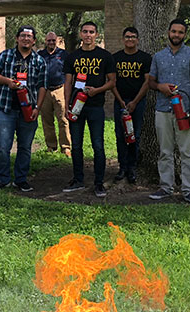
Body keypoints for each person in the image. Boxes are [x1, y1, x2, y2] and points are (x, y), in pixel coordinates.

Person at [148, 19, 190, 204]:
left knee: (186, 152)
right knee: (165, 151)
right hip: (163, 109)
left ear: (185, 35)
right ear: (168, 32)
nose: (176, 35)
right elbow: (151, 82)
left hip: (185, 110)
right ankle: (166, 187)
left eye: (180, 32)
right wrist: (160, 86)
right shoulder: (158, 56)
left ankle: (189, 190)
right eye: (174, 31)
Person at [0, 25, 47, 192]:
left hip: (28, 111)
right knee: (3, 147)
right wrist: (8, 82)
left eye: (29, 36)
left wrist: (38, 108)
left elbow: (43, 86)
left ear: (34, 40)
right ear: (17, 38)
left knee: (25, 147)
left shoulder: (39, 61)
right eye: (22, 36)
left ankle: (21, 179)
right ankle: (3, 179)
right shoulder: (6, 55)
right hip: (6, 109)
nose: (26, 39)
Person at [62, 21, 116, 198]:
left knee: (98, 145)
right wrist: (67, 104)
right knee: (76, 145)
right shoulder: (72, 57)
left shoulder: (105, 56)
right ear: (80, 34)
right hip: (76, 107)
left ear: (96, 35)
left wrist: (96, 91)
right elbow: (68, 82)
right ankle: (78, 180)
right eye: (85, 31)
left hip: (95, 107)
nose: (88, 35)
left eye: (91, 32)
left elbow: (112, 82)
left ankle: (99, 183)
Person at [112, 26, 151, 184]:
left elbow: (148, 81)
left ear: (138, 40)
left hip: (138, 102)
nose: (130, 39)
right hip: (120, 101)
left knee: (135, 135)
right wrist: (121, 101)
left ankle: (132, 167)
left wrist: (134, 102)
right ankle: (122, 167)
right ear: (123, 39)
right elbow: (111, 82)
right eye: (127, 37)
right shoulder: (115, 58)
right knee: (121, 135)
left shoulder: (145, 58)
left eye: (133, 37)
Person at [38, 32, 71, 157]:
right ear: (45, 41)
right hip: (44, 91)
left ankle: (66, 147)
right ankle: (51, 146)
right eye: (49, 41)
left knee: (63, 119)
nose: (51, 43)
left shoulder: (63, 54)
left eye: (53, 40)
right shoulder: (40, 55)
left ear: (57, 41)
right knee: (47, 120)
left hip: (60, 89)